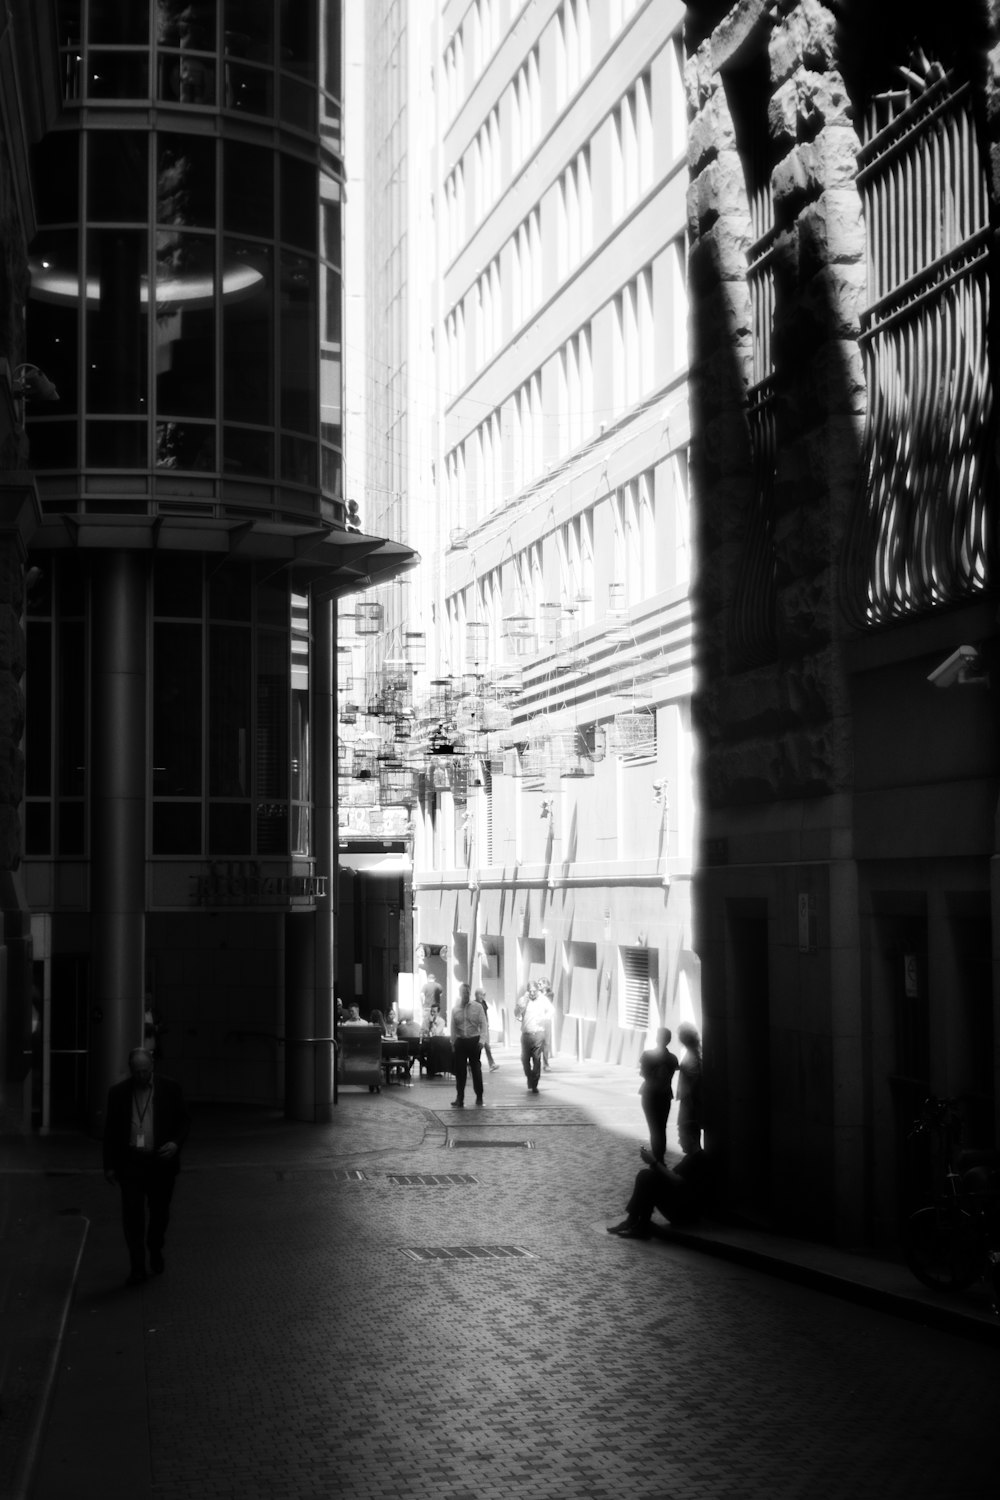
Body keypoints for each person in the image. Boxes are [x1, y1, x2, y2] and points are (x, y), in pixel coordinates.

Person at [103, 1047, 190, 1286]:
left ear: (153, 1067)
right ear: (131, 1070)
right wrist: (109, 1165)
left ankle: (155, 1246)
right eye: (137, 1072)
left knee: (159, 1214)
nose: (142, 1076)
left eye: (146, 1071)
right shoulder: (118, 1093)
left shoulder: (170, 1088)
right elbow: (111, 1131)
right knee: (132, 1216)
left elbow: (184, 1121)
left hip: (160, 1162)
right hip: (131, 1163)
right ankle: (138, 1266)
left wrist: (175, 1143)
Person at [606, 1146, 711, 1239]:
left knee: (647, 1177)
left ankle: (638, 1223)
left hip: (686, 1214)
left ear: (692, 1137)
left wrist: (654, 1162)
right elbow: (670, 1175)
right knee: (646, 1176)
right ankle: (635, 1221)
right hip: (682, 1207)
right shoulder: (690, 1157)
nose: (679, 1142)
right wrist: (653, 1163)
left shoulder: (698, 1159)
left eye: (681, 1137)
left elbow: (676, 1180)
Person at [638, 1027, 679, 1164]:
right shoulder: (672, 1058)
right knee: (662, 1128)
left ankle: (658, 1160)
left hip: (649, 1095)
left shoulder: (647, 1056)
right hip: (665, 1095)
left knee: (653, 1128)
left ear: (657, 1038)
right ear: (669, 1040)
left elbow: (643, 1073)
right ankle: (660, 1158)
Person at [450, 982, 487, 1107]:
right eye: (463, 993)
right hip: (461, 1042)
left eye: (467, 993)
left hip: (474, 1041)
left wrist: (482, 1041)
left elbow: (483, 1024)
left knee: (475, 1070)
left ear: (469, 993)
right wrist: (453, 1042)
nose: (465, 995)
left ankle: (479, 1096)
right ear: (460, 994)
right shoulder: (455, 1009)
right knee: (460, 1071)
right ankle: (460, 1098)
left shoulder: (477, 1007)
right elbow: (453, 1027)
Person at [675, 1022, 703, 1156]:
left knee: (688, 1131)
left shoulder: (692, 1058)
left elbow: (694, 1083)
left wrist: (691, 1103)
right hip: (690, 1100)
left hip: (689, 1101)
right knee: (691, 1131)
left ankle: (694, 1161)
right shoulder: (696, 1053)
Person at [519, 983, 552, 1094]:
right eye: (530, 991)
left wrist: (544, 1018)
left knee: (536, 1059)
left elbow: (552, 1010)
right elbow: (516, 1013)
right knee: (524, 1059)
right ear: (527, 991)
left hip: (538, 1033)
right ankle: (529, 1077)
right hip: (526, 1034)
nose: (532, 993)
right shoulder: (523, 1000)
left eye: (534, 991)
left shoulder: (543, 1000)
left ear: (538, 990)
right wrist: (522, 1005)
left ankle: (535, 1083)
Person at [475, 987, 500, 1071]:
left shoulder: (484, 1003)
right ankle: (476, 1063)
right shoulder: (474, 1004)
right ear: (477, 995)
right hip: (478, 1029)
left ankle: (491, 1064)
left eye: (484, 995)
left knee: (486, 1046)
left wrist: (487, 1023)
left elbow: (485, 1014)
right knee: (482, 1046)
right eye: (482, 995)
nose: (483, 996)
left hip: (484, 1028)